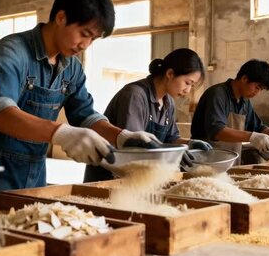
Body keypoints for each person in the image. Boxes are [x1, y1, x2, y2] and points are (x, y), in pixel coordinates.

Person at [0, 0, 154, 191]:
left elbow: (84, 115)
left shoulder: (72, 67)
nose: (85, 45)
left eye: (93, 39)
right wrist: (61, 133)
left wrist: (122, 136)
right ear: (61, 18)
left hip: (35, 168)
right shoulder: (11, 52)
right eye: (84, 33)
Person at [83, 48, 210, 182]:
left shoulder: (169, 103)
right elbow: (133, 145)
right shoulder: (135, 95)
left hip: (138, 175)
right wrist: (174, 151)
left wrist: (189, 144)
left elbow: (170, 138)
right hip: (109, 175)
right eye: (187, 82)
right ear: (170, 73)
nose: (188, 90)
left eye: (192, 85)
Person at [191, 59, 269, 164]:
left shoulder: (244, 101)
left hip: (228, 161)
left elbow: (259, 128)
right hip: (205, 161)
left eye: (261, 89)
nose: (257, 93)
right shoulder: (217, 94)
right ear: (244, 78)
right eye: (257, 87)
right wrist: (252, 137)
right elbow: (216, 131)